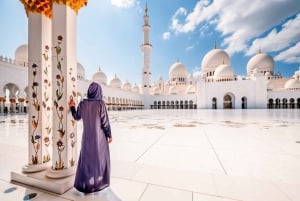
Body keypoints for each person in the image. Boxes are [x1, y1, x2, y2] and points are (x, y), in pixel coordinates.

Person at [68, 82, 112, 193]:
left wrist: (72, 106)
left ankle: (86, 185)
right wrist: (109, 135)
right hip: (99, 139)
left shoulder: (83, 103)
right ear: (99, 92)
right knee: (99, 160)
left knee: (87, 160)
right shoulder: (101, 104)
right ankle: (98, 183)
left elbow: (76, 117)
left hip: (86, 138)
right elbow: (105, 122)